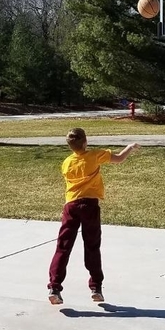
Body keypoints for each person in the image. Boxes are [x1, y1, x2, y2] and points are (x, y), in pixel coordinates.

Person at [48, 127, 139, 305]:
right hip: (90, 206)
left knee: (63, 247)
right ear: (85, 142)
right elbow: (119, 158)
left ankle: (54, 287)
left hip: (71, 206)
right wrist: (129, 147)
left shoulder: (67, 163)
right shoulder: (95, 155)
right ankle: (96, 288)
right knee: (92, 246)